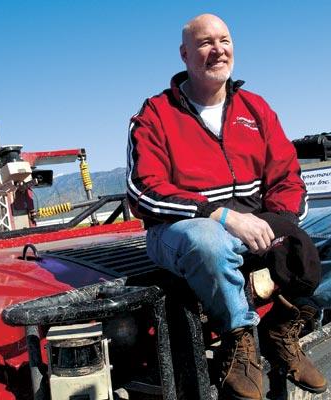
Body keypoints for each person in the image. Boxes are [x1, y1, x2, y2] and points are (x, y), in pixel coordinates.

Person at [126, 13, 328, 399]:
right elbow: (144, 189)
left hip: (256, 225)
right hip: (179, 229)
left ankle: (286, 324)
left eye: (225, 40)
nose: (218, 50)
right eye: (205, 42)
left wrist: (280, 228)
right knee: (209, 241)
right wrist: (221, 216)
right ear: (185, 54)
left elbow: (287, 177)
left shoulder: (255, 108)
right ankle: (238, 339)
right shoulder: (155, 114)